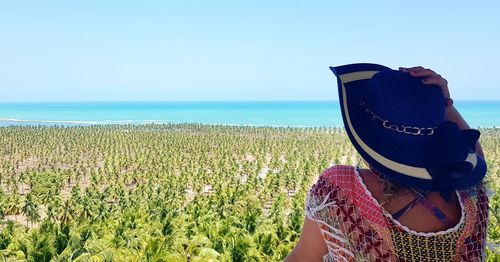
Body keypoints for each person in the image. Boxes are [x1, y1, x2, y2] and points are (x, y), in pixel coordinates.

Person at [285, 64, 489, 261]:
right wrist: (443, 104)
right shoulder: (471, 194)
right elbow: (475, 155)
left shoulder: (341, 191)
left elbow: (302, 258)